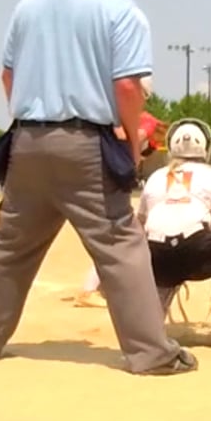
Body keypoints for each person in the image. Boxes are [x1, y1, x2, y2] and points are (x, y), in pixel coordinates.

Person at [0, 0, 196, 376]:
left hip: (27, 139)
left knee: (10, 244)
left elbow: (8, 75)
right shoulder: (120, 8)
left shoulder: (29, 4)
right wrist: (131, 141)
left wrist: (32, 119)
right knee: (120, 244)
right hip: (85, 143)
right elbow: (127, 86)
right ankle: (152, 353)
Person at [138, 119, 211, 345]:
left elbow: (138, 226)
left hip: (158, 253)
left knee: (161, 258)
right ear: (205, 147)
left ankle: (153, 317)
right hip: (197, 250)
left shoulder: (155, 177)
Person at [73, 110, 161, 309]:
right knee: (112, 236)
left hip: (97, 174)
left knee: (113, 235)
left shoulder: (116, 125)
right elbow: (139, 137)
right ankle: (88, 290)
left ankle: (101, 285)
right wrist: (136, 146)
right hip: (104, 179)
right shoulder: (146, 124)